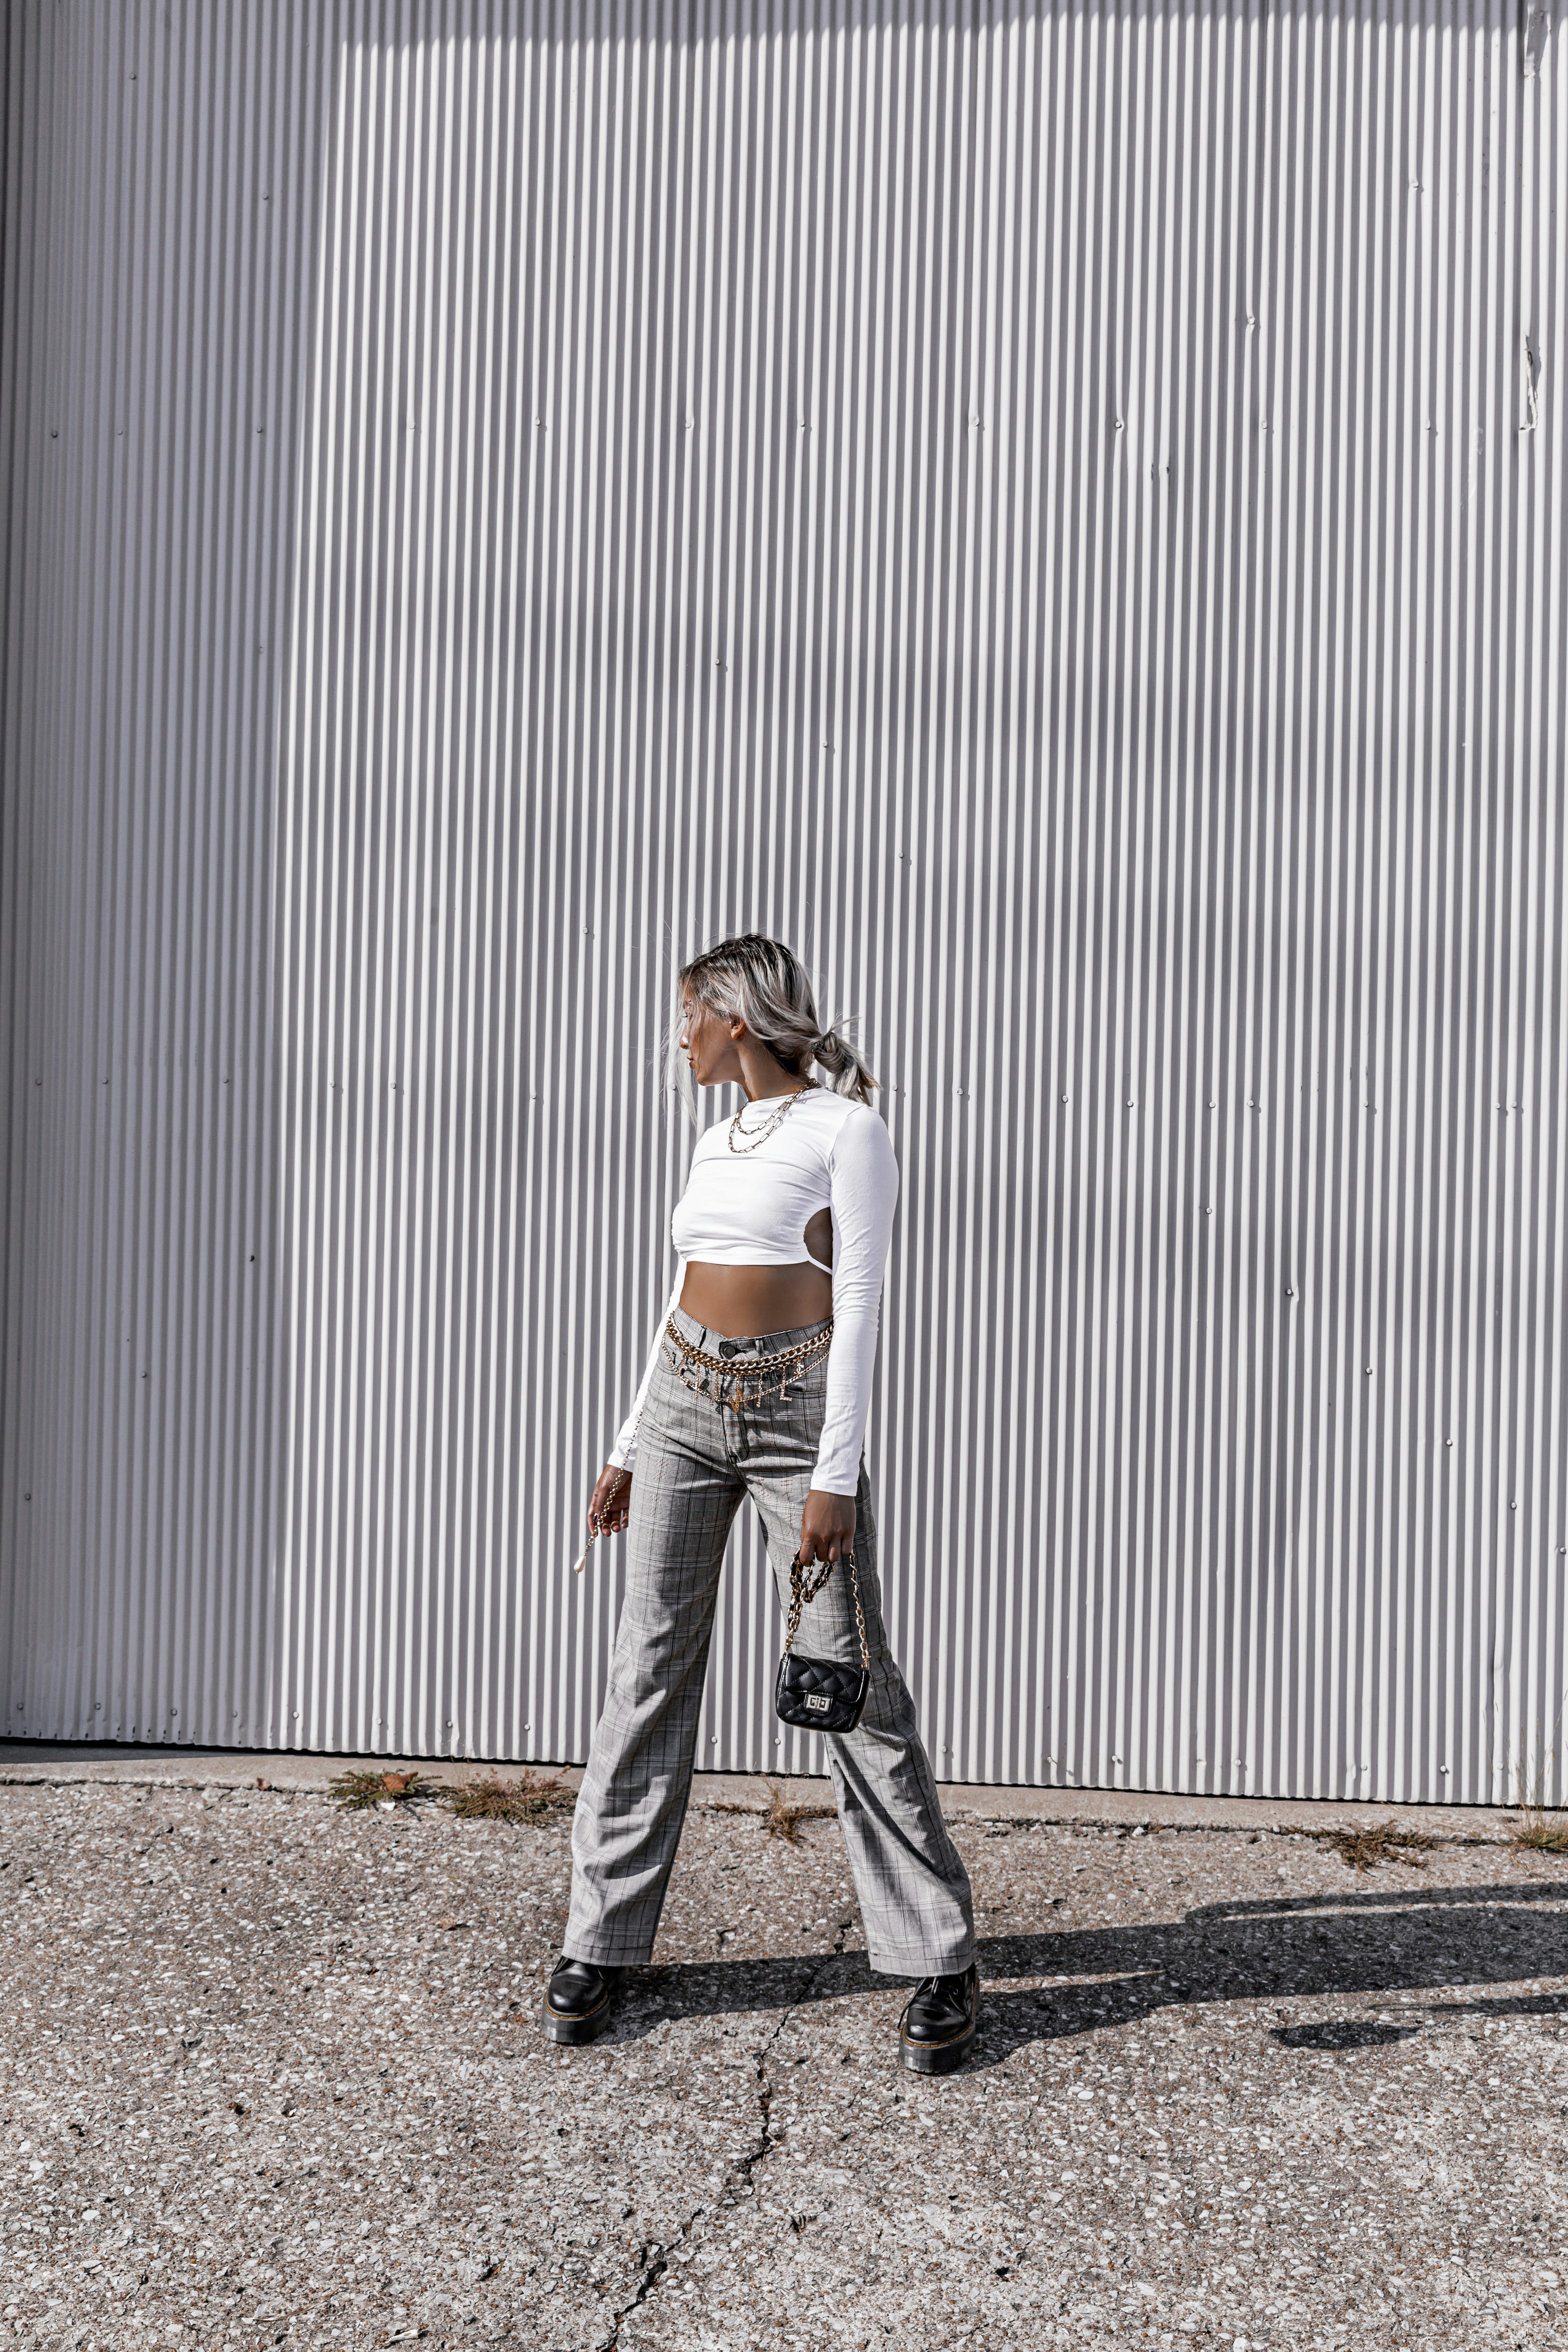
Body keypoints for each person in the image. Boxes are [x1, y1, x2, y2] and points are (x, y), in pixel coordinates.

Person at [543, 933, 978, 2074]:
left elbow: (865, 1304)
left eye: (686, 1014)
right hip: (685, 1401)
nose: (676, 1036)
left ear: (733, 1017)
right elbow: (679, 1293)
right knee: (647, 1668)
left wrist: (837, 1472)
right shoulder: (712, 1138)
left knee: (848, 1679)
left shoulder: (847, 1128)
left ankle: (938, 1955)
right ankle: (603, 1941)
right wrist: (629, 1442)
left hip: (796, 1411)